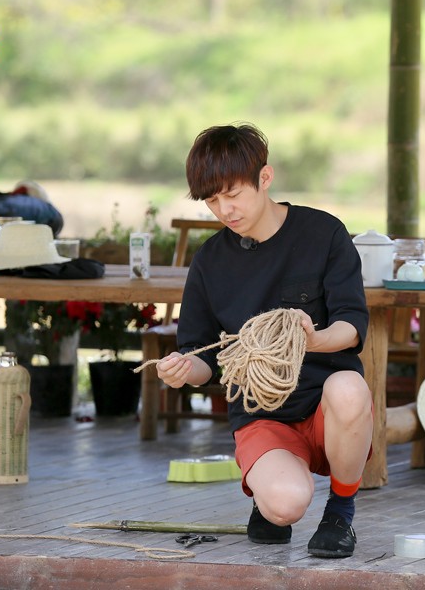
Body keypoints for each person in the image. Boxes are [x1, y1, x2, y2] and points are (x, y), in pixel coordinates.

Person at [155, 123, 373, 559]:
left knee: (349, 388)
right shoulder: (210, 261)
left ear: (265, 178)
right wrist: (180, 372)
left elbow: (352, 324)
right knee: (285, 507)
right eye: (212, 201)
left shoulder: (324, 233)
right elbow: (203, 360)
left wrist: (311, 340)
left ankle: (341, 512)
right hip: (261, 415)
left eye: (232, 194)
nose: (224, 210)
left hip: (324, 406)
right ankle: (267, 495)